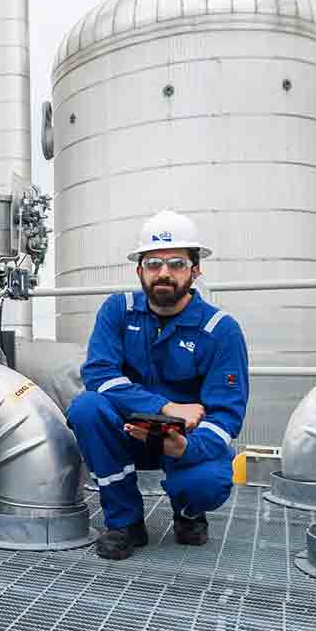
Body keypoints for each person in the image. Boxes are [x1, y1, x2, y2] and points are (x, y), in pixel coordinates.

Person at [66, 210, 248, 559]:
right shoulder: (118, 311)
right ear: (140, 270)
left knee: (207, 483)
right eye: (153, 263)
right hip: (128, 432)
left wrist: (186, 448)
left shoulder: (220, 331)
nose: (164, 273)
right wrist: (164, 407)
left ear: (195, 270)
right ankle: (125, 523)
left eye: (177, 263)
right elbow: (99, 374)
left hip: (185, 439)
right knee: (86, 408)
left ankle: (189, 514)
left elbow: (226, 414)